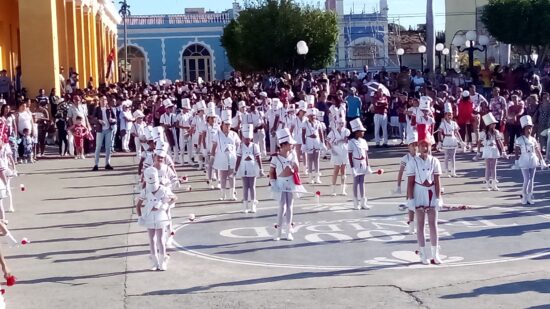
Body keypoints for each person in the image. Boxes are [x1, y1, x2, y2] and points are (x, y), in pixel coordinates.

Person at [405, 133, 443, 265]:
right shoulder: (412, 162)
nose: (424, 148)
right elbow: (410, 182)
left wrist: (438, 198)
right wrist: (411, 199)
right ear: (418, 147)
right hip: (419, 192)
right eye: (421, 145)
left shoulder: (435, 161)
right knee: (420, 225)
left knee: (433, 224)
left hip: (431, 193)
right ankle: (422, 254)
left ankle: (435, 254)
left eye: (426, 145)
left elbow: (437, 181)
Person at [136, 167, 176, 271]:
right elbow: (138, 205)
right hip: (149, 216)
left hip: (160, 216)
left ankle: (163, 262)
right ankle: (155, 262)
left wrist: (165, 205)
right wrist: (140, 217)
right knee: (151, 240)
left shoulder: (163, 189)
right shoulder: (145, 191)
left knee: (161, 240)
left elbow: (174, 198)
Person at [270, 128, 307, 241]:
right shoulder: (275, 157)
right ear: (284, 144)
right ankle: (278, 231)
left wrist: (294, 162)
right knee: (282, 206)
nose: (292, 146)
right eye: (290, 144)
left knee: (290, 206)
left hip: (290, 183)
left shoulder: (293, 155)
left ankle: (288, 231)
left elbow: (296, 169)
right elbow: (271, 172)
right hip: (280, 183)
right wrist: (273, 183)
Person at [514, 115, 547, 205]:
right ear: (524, 129)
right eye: (527, 128)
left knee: (532, 179)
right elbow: (516, 151)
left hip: (532, 159)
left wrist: (541, 160)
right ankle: (524, 195)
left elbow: (537, 150)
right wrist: (516, 161)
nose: (529, 130)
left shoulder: (533, 139)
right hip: (524, 159)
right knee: (526, 179)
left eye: (530, 128)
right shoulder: (519, 140)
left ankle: (530, 196)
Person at [212, 110, 241, 201]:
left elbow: (238, 145)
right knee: (223, 177)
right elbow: (214, 146)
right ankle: (223, 195)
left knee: (232, 177)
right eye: (226, 125)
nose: (228, 126)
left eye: (229, 125)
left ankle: (232, 195)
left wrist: (239, 156)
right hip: (222, 158)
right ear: (222, 125)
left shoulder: (234, 134)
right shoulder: (218, 135)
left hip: (232, 158)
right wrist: (212, 157)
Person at [235, 124, 263, 213]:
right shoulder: (240, 146)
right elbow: (238, 158)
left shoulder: (255, 146)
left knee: (252, 186)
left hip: (252, 168)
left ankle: (253, 205)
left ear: (251, 138)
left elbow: (258, 158)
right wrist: (235, 170)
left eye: (248, 139)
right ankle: (245, 205)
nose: (247, 140)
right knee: (245, 187)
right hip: (243, 168)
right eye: (245, 138)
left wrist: (261, 169)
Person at [395, 135, 418, 234]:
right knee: (411, 205)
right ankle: (411, 226)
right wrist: (398, 186)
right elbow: (400, 172)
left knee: (420, 206)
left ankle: (419, 224)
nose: (415, 147)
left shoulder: (421, 157)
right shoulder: (405, 158)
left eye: (416, 145)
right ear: (409, 147)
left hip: (419, 185)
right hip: (409, 185)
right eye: (412, 145)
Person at [477, 113, 506, 191]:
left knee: (494, 167)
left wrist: (503, 151)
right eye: (493, 124)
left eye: (494, 124)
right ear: (489, 124)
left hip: (494, 150)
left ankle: (494, 184)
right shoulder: (483, 133)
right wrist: (478, 152)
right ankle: (487, 184)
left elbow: (499, 141)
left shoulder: (496, 132)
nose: (494, 125)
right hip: (487, 150)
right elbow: (479, 142)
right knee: (488, 167)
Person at [347, 118, 371, 210]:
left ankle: (363, 202)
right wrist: (352, 167)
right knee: (356, 181)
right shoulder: (351, 142)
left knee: (362, 182)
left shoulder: (364, 142)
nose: (363, 133)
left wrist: (368, 165)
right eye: (361, 131)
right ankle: (355, 202)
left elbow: (366, 154)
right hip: (356, 164)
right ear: (356, 132)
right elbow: (349, 155)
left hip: (363, 163)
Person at [91, 96, 116, 171]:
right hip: (100, 130)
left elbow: (115, 119)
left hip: (108, 129)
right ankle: (96, 164)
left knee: (108, 147)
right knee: (98, 147)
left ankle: (107, 164)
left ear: (106, 101)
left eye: (104, 100)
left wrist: (112, 120)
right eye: (101, 100)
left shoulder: (109, 109)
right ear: (99, 101)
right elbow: (93, 118)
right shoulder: (97, 109)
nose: (103, 101)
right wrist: (99, 121)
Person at [437, 103, 462, 177]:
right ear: (445, 116)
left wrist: (461, 141)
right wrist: (439, 141)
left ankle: (453, 171)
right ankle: (447, 171)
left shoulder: (454, 123)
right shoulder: (443, 123)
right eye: (448, 115)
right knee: (447, 156)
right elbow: (439, 132)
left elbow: (457, 132)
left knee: (453, 156)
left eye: (450, 114)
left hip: (453, 139)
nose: (449, 116)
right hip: (446, 139)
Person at [327, 118, 350, 196]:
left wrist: (339, 140)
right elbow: (327, 140)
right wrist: (331, 149)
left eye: (343, 123)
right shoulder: (333, 131)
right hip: (336, 152)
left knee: (343, 171)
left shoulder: (346, 131)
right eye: (340, 123)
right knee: (336, 170)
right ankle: (333, 189)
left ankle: (343, 189)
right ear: (337, 123)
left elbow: (346, 140)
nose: (341, 124)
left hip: (344, 151)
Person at [302, 108, 324, 184]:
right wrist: (304, 144)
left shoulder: (318, 123)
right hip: (309, 141)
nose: (312, 117)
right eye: (311, 116)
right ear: (308, 116)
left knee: (316, 159)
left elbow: (321, 133)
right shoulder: (305, 123)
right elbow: (303, 134)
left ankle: (317, 177)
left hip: (316, 141)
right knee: (310, 159)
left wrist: (322, 142)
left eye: (314, 116)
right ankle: (310, 177)